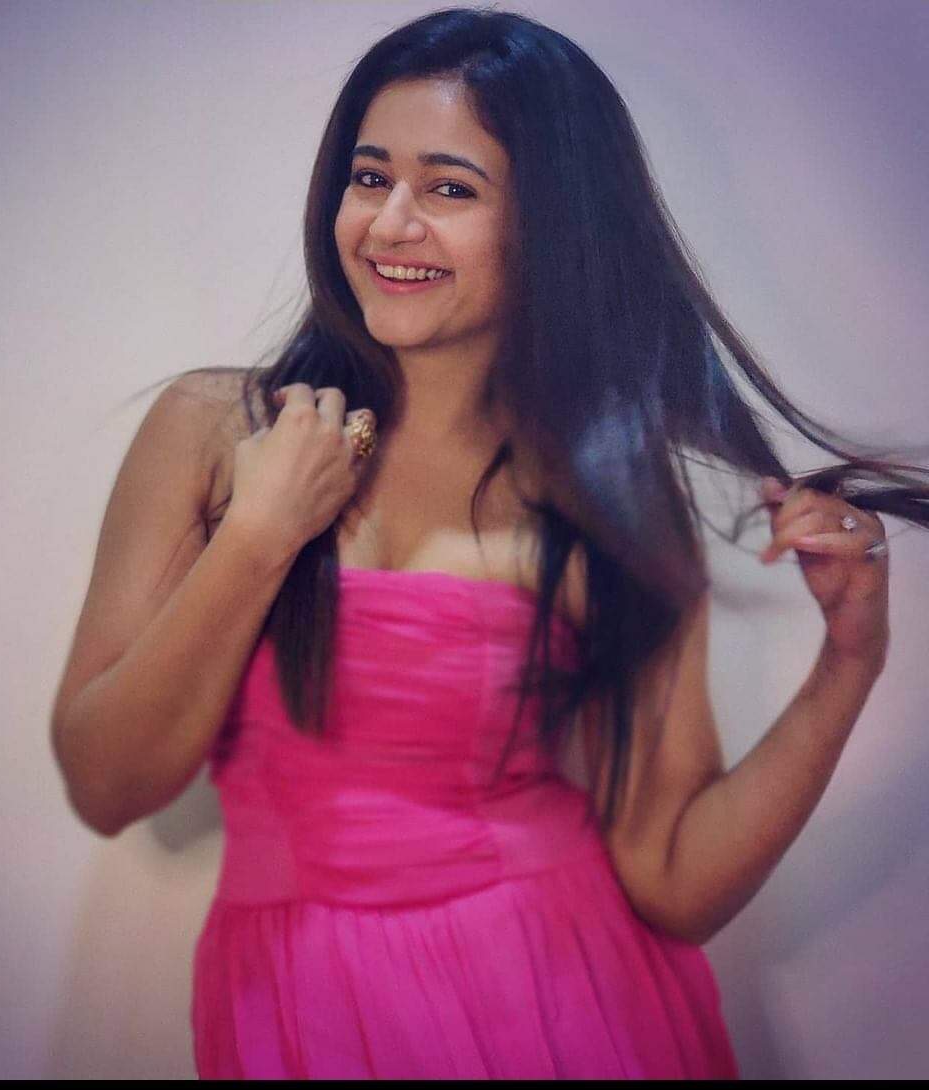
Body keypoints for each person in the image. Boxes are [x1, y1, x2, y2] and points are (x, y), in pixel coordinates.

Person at [49, 7, 929, 1079]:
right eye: (370, 177)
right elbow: (106, 785)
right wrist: (261, 535)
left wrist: (850, 662)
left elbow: (674, 880)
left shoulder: (607, 491)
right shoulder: (212, 429)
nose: (389, 224)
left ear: (549, 225)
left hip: (565, 1006)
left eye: (449, 190)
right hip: (293, 1004)